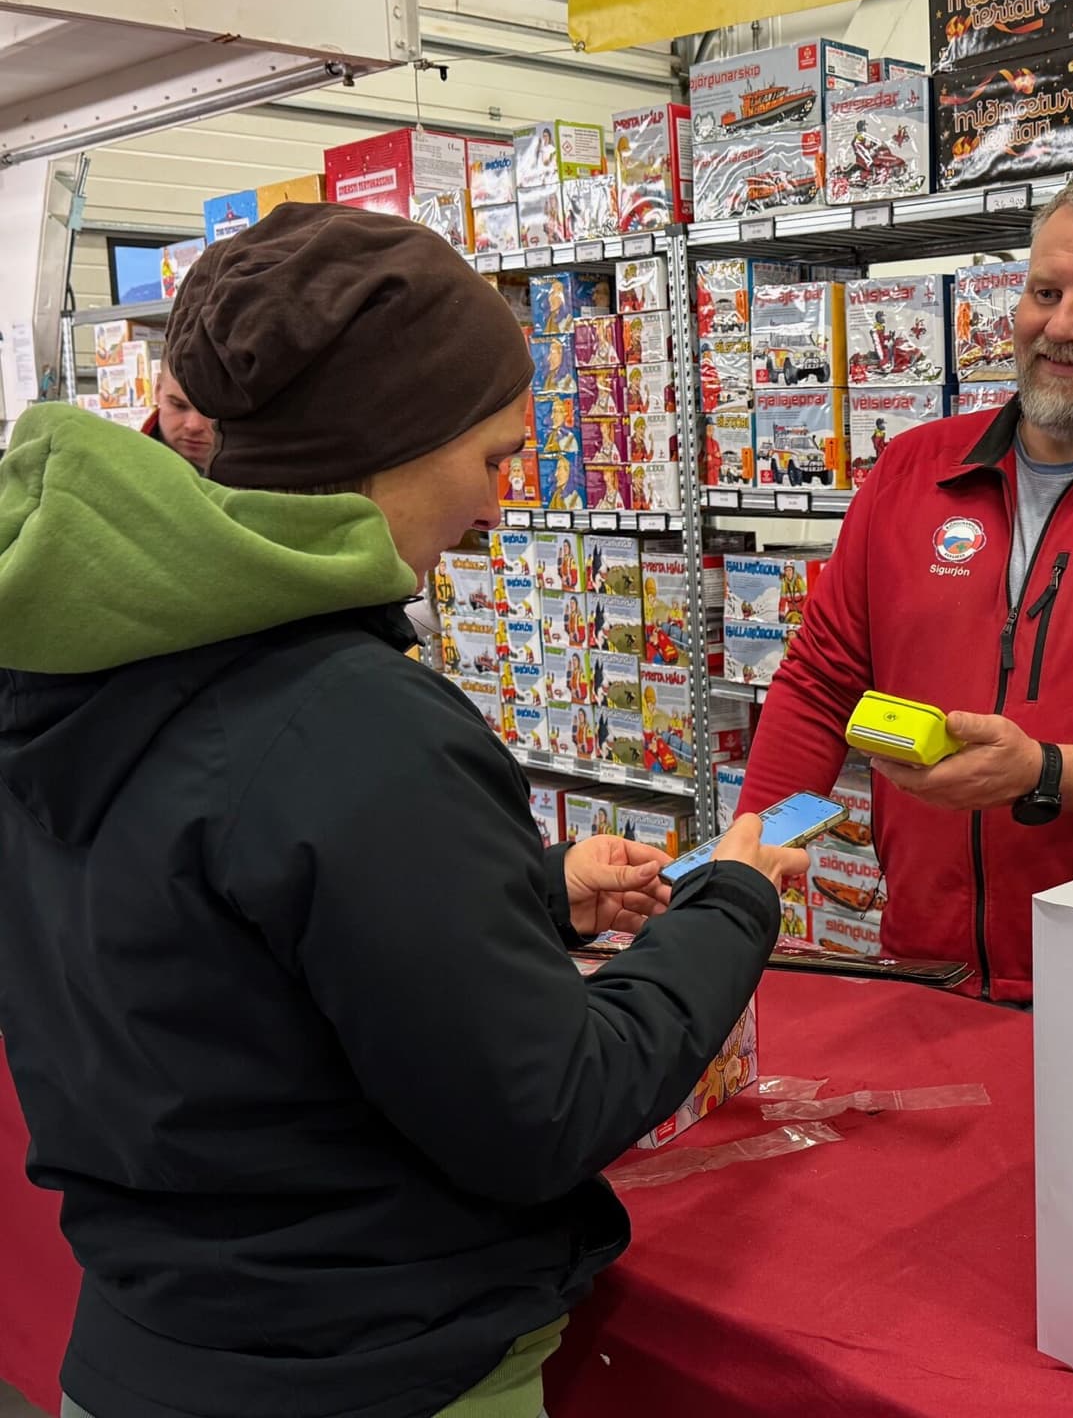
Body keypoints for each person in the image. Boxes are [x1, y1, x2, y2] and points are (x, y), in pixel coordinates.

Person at [0, 203, 806, 1418]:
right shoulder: (349, 716)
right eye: (488, 461)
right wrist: (733, 904)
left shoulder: (74, 659)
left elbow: (201, 939)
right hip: (375, 1367)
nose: (495, 512)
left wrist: (526, 892)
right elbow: (551, 1105)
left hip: (149, 1349)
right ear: (377, 445)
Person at [738, 164, 1073, 1002]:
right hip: (922, 970)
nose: (1060, 325)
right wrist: (751, 861)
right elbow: (819, 689)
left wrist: (1048, 772)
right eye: (1044, 293)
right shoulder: (913, 469)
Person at [141, 366, 215, 468]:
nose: (193, 426)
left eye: (212, 410)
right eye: (178, 405)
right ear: (158, 390)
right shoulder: (120, 474)